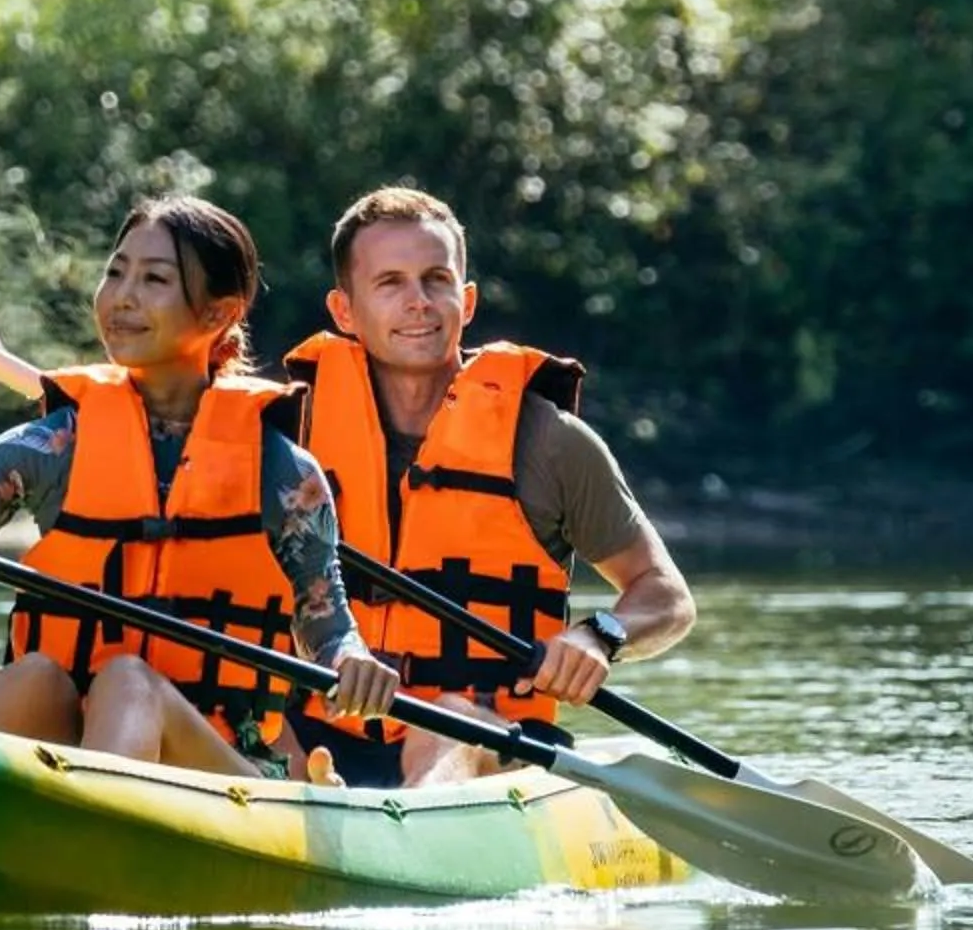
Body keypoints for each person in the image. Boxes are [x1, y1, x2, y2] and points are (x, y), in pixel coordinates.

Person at [0, 196, 402, 778]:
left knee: (127, 680)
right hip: (72, 757)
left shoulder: (285, 475)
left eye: (154, 280)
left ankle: (89, 834)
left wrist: (353, 663)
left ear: (218, 314)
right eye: (115, 272)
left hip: (227, 774)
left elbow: (325, 624)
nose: (122, 295)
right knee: (38, 677)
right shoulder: (52, 447)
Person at [281, 186, 694, 789]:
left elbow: (667, 596)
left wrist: (601, 636)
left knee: (445, 719)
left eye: (436, 280)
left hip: (495, 739)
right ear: (344, 312)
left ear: (466, 300)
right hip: (321, 729)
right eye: (390, 283)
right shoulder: (287, 441)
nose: (418, 302)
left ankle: (399, 829)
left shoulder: (550, 443)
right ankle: (303, 797)